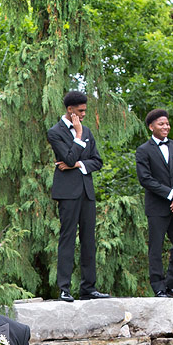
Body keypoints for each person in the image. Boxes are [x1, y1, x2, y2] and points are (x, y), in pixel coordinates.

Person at [47, 90, 109, 302]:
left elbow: (96, 161)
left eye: (84, 111)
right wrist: (79, 137)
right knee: (67, 239)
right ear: (70, 110)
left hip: (86, 192)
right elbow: (68, 156)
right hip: (67, 193)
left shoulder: (88, 131)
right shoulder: (55, 132)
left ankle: (88, 288)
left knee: (89, 240)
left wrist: (80, 164)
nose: (83, 114)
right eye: (80, 111)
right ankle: (64, 288)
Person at [134, 108, 173, 298]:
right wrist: (171, 194)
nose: (166, 127)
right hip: (157, 206)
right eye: (161, 124)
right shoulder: (143, 150)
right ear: (151, 127)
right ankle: (158, 287)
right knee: (156, 248)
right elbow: (145, 179)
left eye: (167, 123)